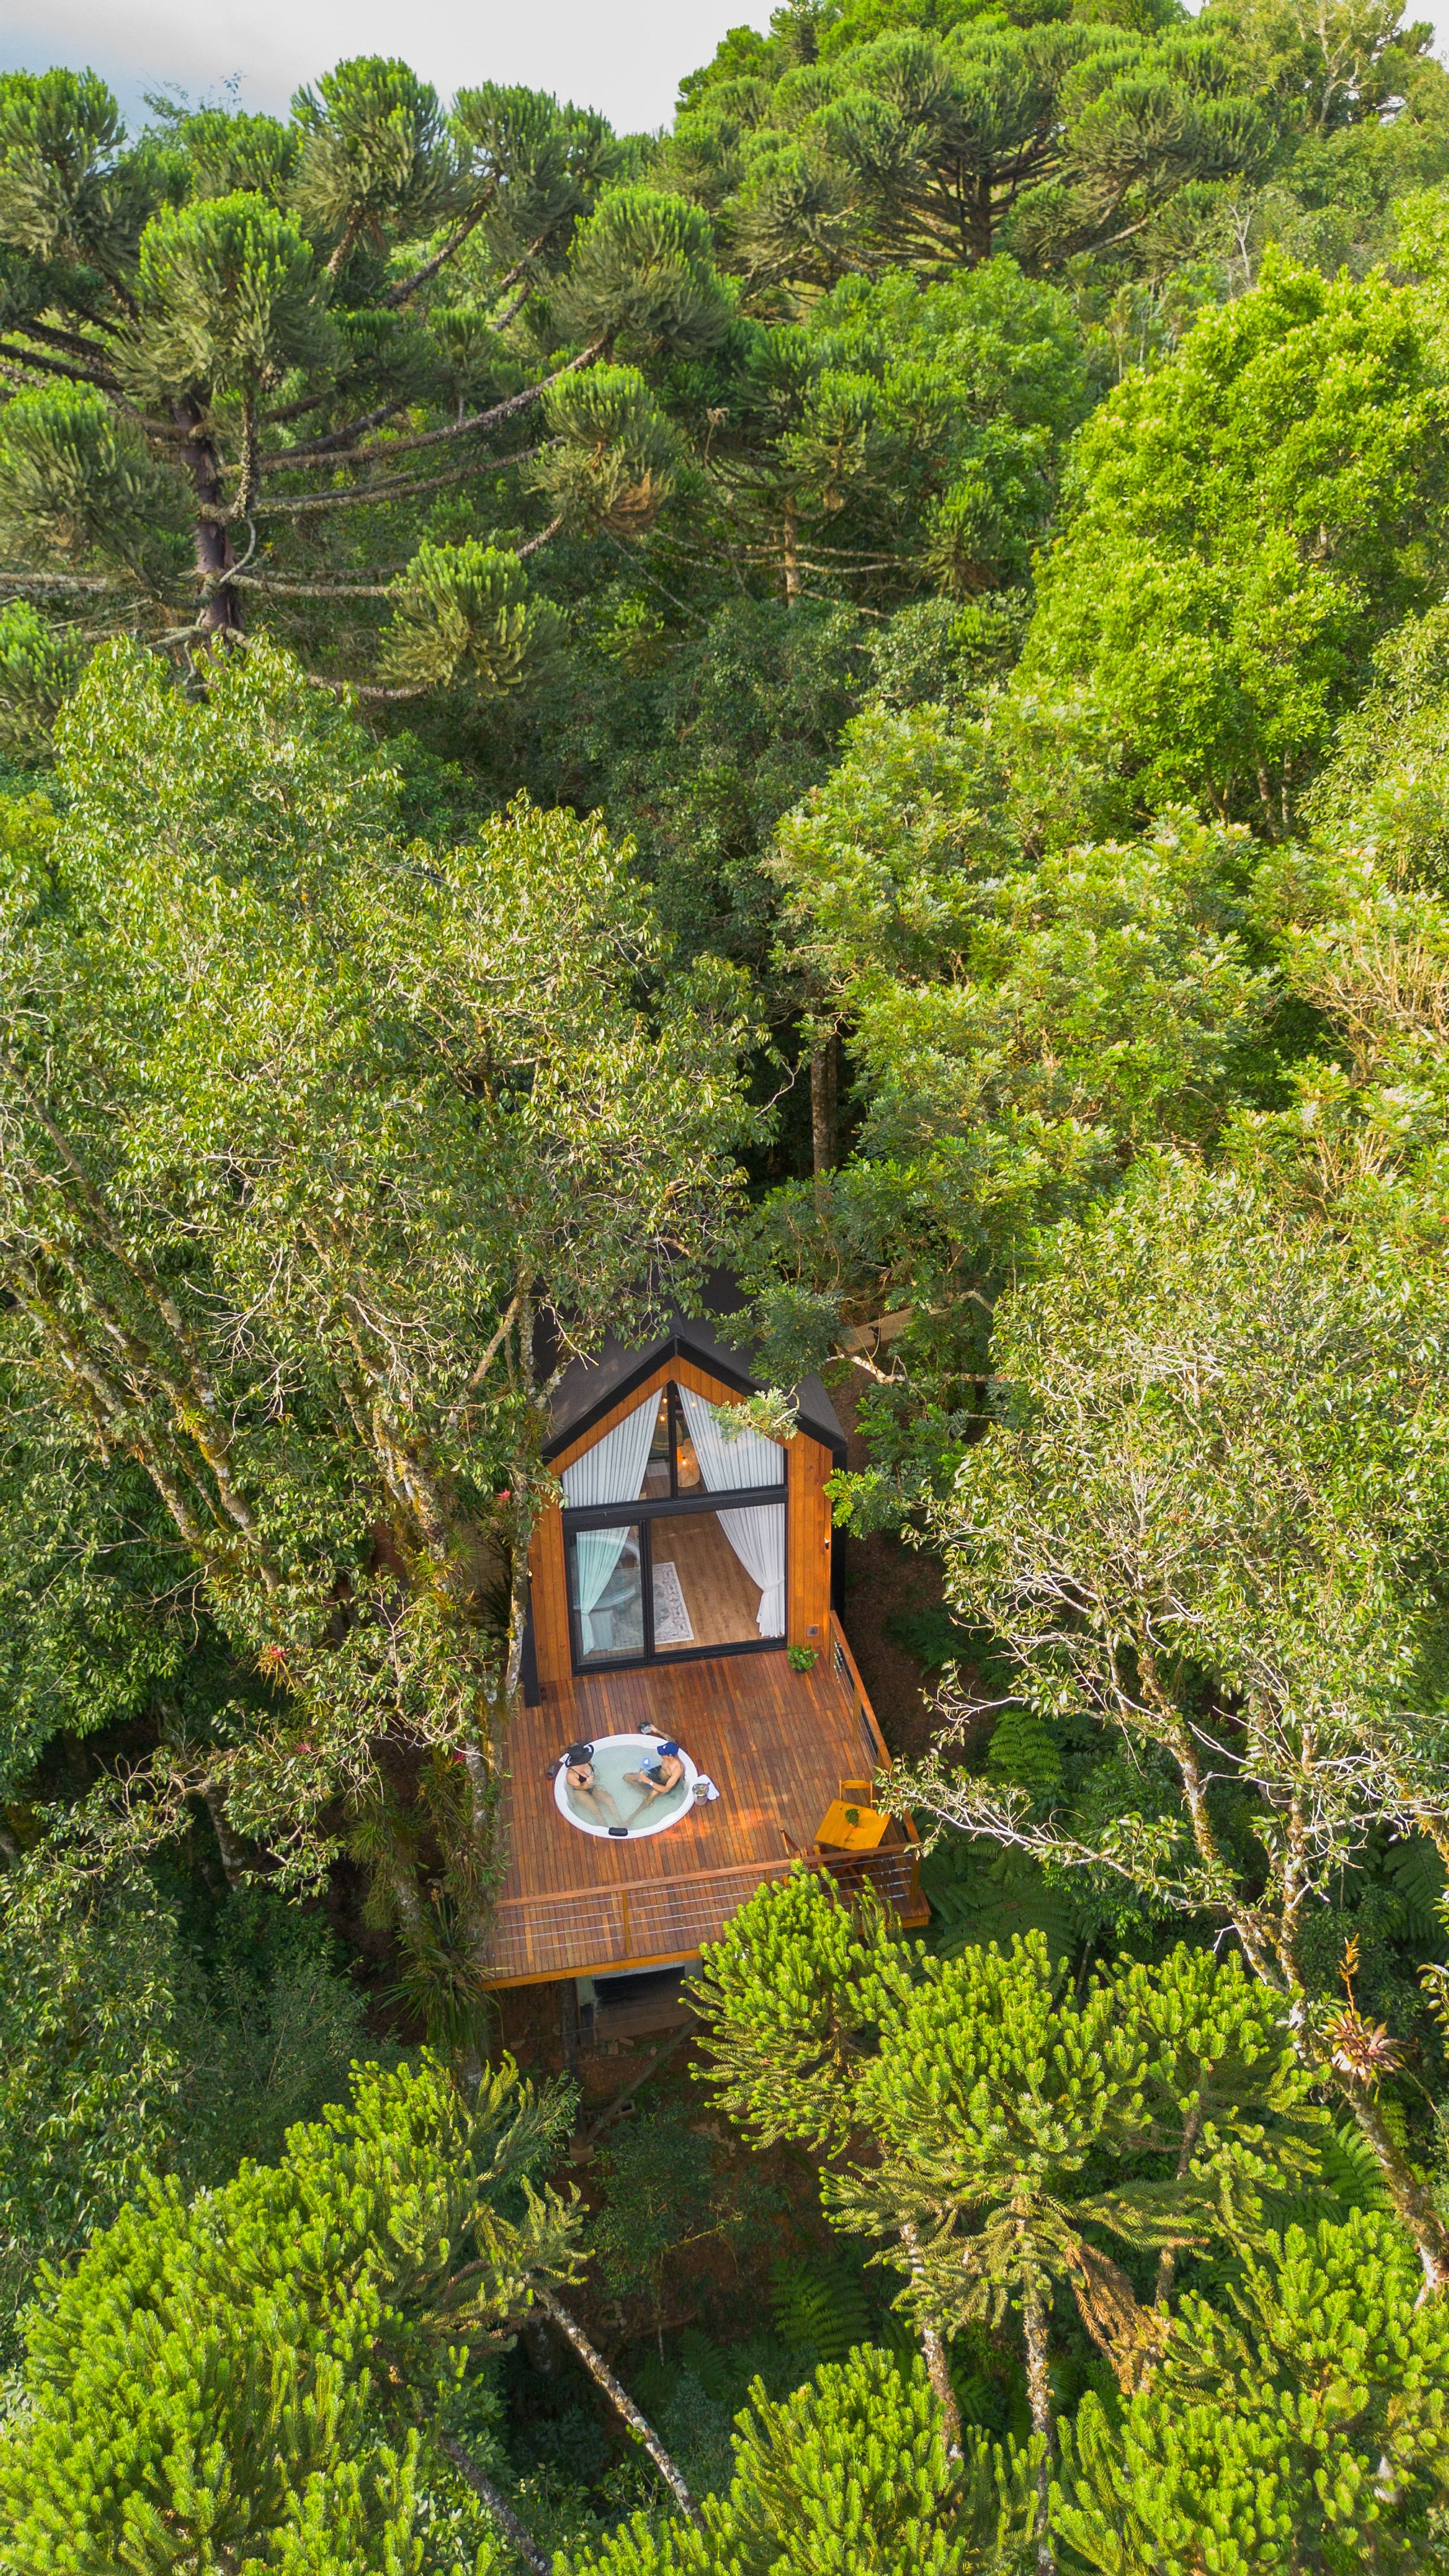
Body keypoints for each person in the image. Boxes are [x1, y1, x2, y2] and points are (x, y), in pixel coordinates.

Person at [555, 1742, 622, 1827]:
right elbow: (580, 1787)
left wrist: (594, 1781)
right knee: (596, 1810)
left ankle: (620, 1823)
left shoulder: (588, 1761)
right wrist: (587, 1782)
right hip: (580, 1791)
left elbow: (595, 1774)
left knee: (609, 1799)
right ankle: (604, 1828)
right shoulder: (571, 1774)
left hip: (592, 1787)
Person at [623, 1737, 685, 1814]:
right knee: (627, 1777)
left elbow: (666, 1789)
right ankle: (646, 1794)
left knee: (654, 1793)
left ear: (670, 1756)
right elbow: (671, 1739)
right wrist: (657, 1731)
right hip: (658, 1773)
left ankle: (634, 1816)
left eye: (663, 1754)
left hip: (665, 1783)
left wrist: (648, 1781)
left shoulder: (678, 1769)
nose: (661, 1755)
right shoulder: (670, 1754)